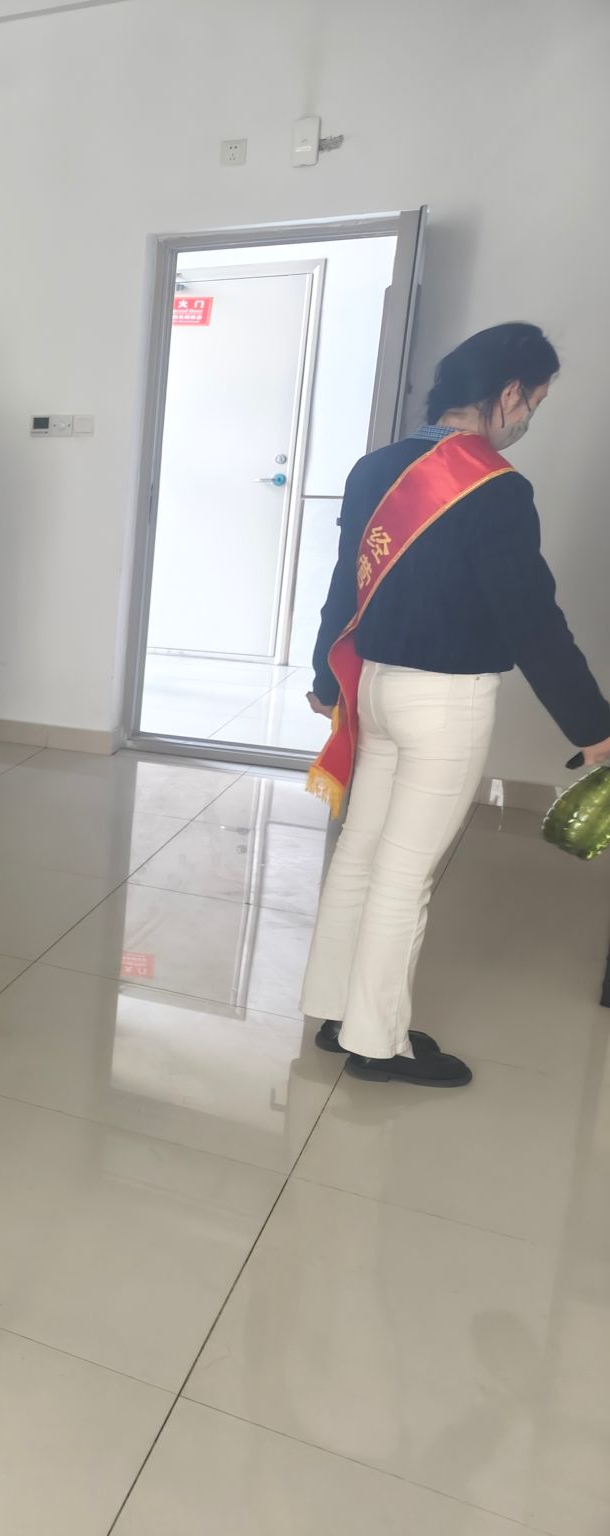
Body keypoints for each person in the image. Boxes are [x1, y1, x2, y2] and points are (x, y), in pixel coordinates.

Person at [301, 323, 610, 1086]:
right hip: (445, 702)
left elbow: (346, 583)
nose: (528, 418)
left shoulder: (376, 467)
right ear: (509, 393)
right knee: (405, 874)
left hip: (376, 687)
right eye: (533, 402)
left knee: (361, 852)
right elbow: (531, 618)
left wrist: (324, 677)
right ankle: (378, 1043)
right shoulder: (496, 487)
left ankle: (337, 1012)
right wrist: (594, 727)